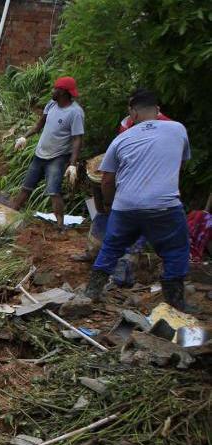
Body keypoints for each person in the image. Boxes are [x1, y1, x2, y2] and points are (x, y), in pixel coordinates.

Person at [86, 89, 191, 311]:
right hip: (164, 205)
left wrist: (111, 205)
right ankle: (175, 299)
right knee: (176, 248)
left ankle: (92, 292)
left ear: (132, 113)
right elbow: (179, 165)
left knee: (111, 247)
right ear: (158, 109)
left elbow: (106, 181)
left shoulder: (121, 139)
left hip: (126, 205)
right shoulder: (178, 130)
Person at [9, 76, 85, 226]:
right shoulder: (51, 105)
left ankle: (60, 226)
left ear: (63, 92)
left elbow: (77, 139)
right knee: (26, 187)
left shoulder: (75, 113)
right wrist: (24, 137)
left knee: (53, 191)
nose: (53, 91)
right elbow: (39, 125)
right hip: (40, 154)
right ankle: (9, 217)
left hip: (57, 157)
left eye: (55, 89)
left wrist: (72, 164)